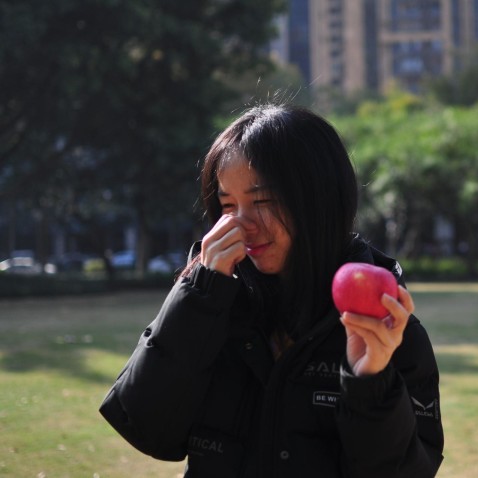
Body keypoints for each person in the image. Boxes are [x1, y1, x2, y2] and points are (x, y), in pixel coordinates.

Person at [99, 103, 444, 477]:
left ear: (318, 199)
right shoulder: (213, 303)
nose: (241, 225)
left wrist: (370, 383)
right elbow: (147, 429)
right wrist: (199, 294)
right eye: (228, 205)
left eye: (262, 201)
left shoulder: (381, 321)